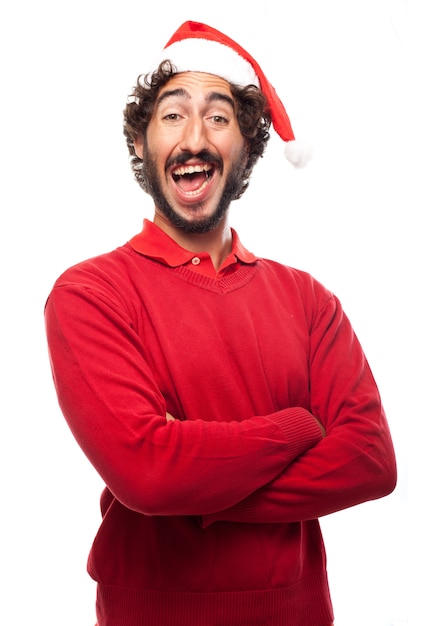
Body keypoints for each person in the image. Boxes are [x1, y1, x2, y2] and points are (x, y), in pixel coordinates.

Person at [44, 20, 397, 626]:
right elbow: (148, 473)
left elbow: (370, 460)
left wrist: (201, 486)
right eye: (173, 115)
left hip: (299, 613)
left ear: (247, 147)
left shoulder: (310, 300)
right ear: (142, 144)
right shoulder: (90, 294)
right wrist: (296, 428)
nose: (195, 137)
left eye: (218, 117)